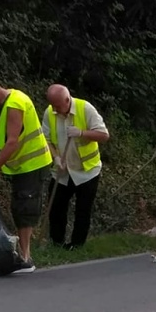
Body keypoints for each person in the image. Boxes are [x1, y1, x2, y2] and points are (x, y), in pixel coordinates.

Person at [0, 74, 53, 273]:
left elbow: (13, 141)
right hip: (25, 166)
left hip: (32, 165)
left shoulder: (14, 104)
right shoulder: (13, 98)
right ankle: (24, 254)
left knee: (24, 208)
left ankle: (26, 258)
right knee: (19, 206)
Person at [41, 84, 110, 249]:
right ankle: (57, 242)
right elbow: (46, 139)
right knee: (56, 207)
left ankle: (77, 244)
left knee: (83, 210)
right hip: (62, 170)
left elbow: (104, 135)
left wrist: (81, 133)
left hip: (86, 171)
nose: (55, 109)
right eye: (52, 105)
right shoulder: (50, 112)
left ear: (67, 100)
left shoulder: (85, 108)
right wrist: (56, 157)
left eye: (57, 105)